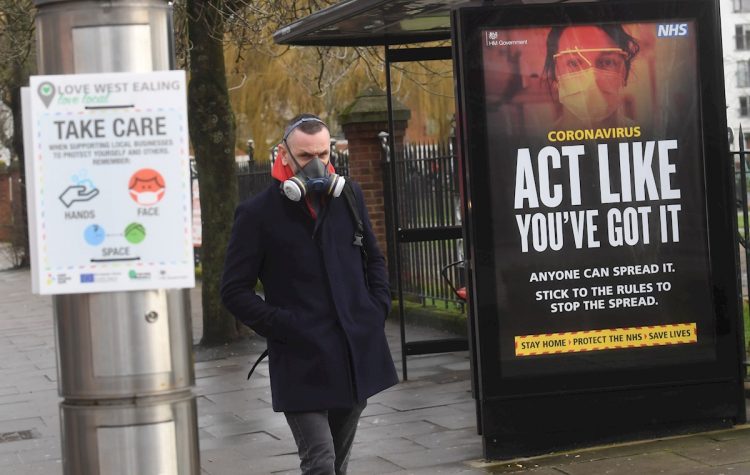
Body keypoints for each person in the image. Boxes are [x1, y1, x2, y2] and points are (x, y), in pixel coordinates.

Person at [221, 114, 398, 474]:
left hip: (352, 353)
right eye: (305, 156)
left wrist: (375, 308)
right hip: (301, 358)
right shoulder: (256, 215)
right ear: (283, 154)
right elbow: (233, 290)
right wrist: (285, 326)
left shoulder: (348, 196)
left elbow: (373, 260)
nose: (316, 163)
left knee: (338, 462)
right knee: (320, 460)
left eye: (323, 152)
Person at [543, 25, 640, 128]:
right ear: (555, 74)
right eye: (574, 63)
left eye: (607, 62)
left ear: (624, 72)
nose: (592, 80)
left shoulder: (645, 138)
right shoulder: (539, 143)